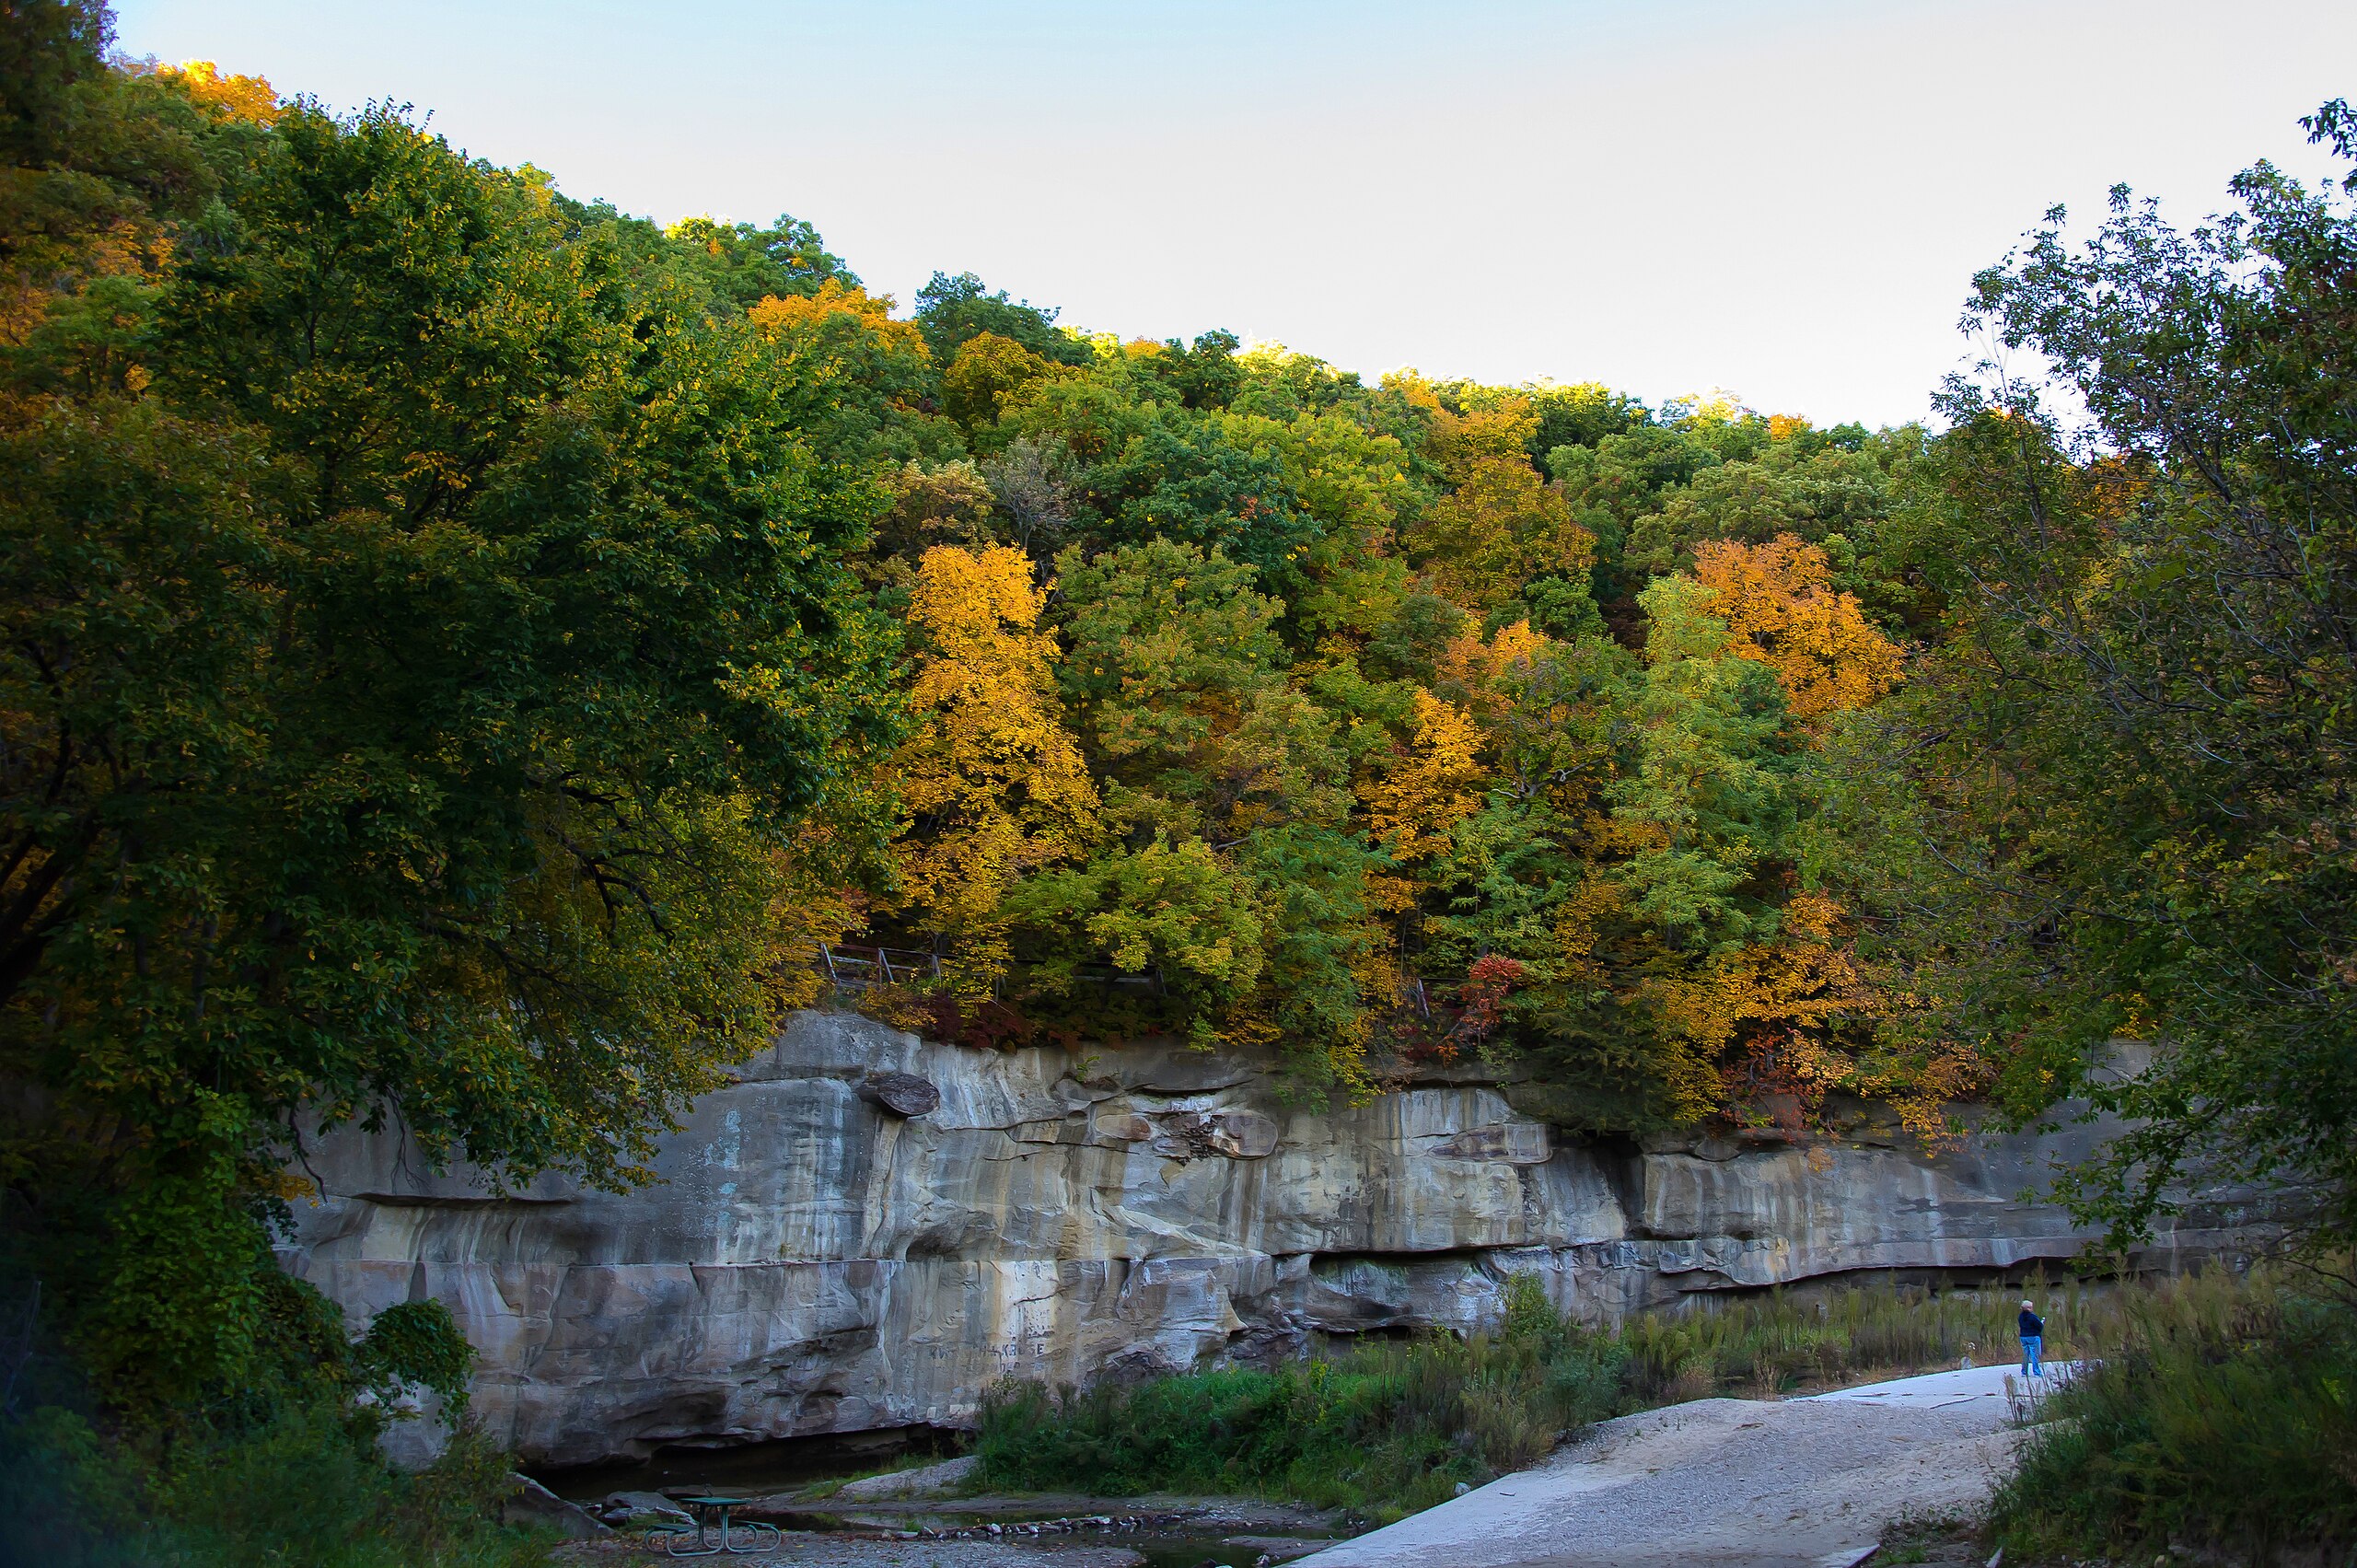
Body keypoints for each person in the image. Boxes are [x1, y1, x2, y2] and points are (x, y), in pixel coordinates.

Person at [2018, 1299, 2045, 1378]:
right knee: (2034, 1355)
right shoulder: (2033, 1317)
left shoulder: (2020, 1317)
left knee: (2025, 1354)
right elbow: (2040, 1326)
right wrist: (2042, 1322)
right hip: (2033, 1336)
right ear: (2029, 1308)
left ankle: (2024, 1372)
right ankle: (2036, 1372)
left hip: (2023, 1337)